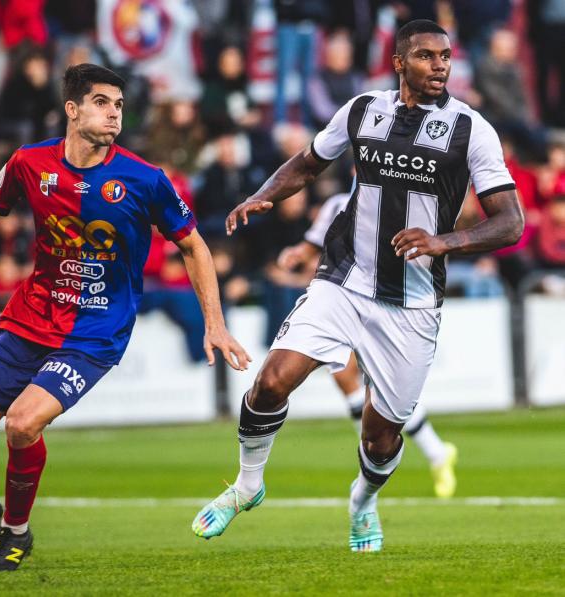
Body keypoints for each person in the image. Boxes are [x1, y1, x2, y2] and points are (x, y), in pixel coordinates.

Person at [192, 20, 523, 552]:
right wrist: (265, 195)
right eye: (426, 56)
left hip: (412, 301)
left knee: (380, 435)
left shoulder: (472, 129)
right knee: (272, 380)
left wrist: (444, 243)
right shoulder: (363, 110)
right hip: (344, 280)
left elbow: (510, 222)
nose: (440, 66)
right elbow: (308, 162)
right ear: (399, 62)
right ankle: (247, 485)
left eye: (446, 56)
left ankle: (363, 501)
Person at [0, 63, 250, 572]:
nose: (115, 114)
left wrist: (215, 324)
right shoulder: (30, 162)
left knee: (22, 424)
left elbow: (194, 247)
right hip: (29, 317)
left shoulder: (144, 179)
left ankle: (16, 534)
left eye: (119, 105)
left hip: (94, 330)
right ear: (73, 109)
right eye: (103, 102)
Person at [277, 192, 458, 498]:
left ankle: (433, 453)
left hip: (387, 308)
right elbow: (312, 246)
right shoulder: (337, 204)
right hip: (343, 301)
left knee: (382, 394)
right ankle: (402, 456)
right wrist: (296, 255)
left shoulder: (404, 202)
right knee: (346, 379)